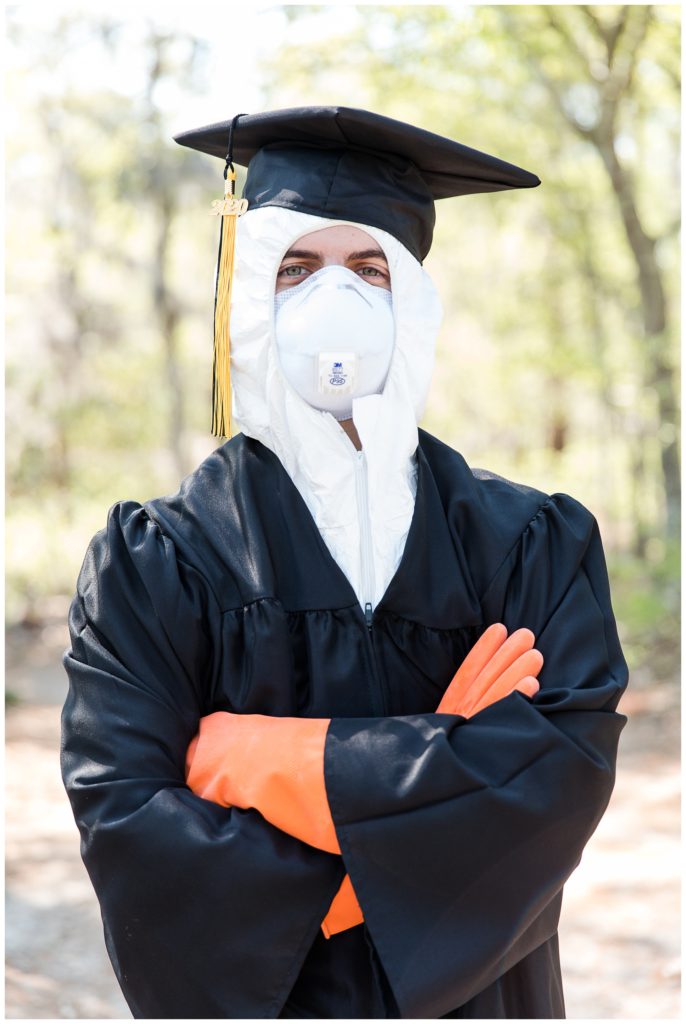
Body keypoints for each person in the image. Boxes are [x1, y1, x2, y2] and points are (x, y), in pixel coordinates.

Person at [61, 106, 628, 1019]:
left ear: (411, 300)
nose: (337, 300)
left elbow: (557, 781)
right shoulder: (155, 561)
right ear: (248, 298)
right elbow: (127, 820)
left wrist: (262, 759)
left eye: (369, 269)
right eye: (295, 268)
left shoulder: (532, 542)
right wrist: (438, 766)